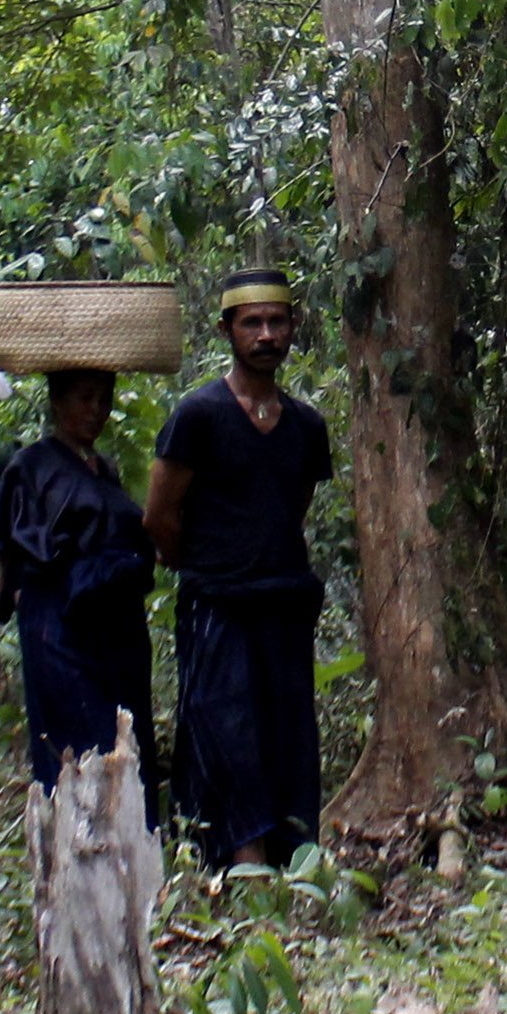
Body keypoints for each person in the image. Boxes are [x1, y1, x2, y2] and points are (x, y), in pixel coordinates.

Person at [148, 271, 333, 869]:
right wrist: (207, 570)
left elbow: (292, 508)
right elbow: (161, 517)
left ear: (293, 328)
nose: (266, 335)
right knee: (224, 731)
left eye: (276, 322)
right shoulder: (197, 415)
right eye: (252, 323)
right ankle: (239, 863)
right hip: (216, 605)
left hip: (281, 604)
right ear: (226, 329)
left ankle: (292, 862)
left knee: (286, 736)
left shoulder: (307, 426)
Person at [0, 367, 164, 820]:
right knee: (77, 744)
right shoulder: (30, 466)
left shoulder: (107, 470)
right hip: (59, 626)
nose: (95, 410)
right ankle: (78, 860)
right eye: (84, 398)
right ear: (57, 401)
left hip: (118, 630)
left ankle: (131, 867)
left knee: (126, 743)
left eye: (103, 399)